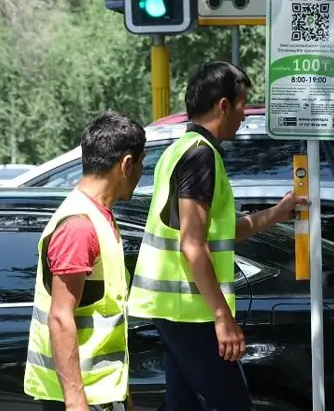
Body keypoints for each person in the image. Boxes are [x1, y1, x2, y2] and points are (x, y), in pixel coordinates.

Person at [127, 61, 307, 411]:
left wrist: (277, 213)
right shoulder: (200, 157)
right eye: (242, 104)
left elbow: (222, 233)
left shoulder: (180, 150)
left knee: (184, 405)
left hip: (176, 309)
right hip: (191, 312)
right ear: (223, 105)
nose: (244, 115)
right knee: (233, 405)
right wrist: (223, 317)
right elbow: (192, 243)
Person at [24, 111, 147, 411]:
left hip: (103, 395)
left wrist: (122, 394)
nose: (142, 171)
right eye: (141, 162)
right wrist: (76, 401)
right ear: (126, 164)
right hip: (82, 400)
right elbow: (60, 317)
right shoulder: (79, 226)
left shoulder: (100, 217)